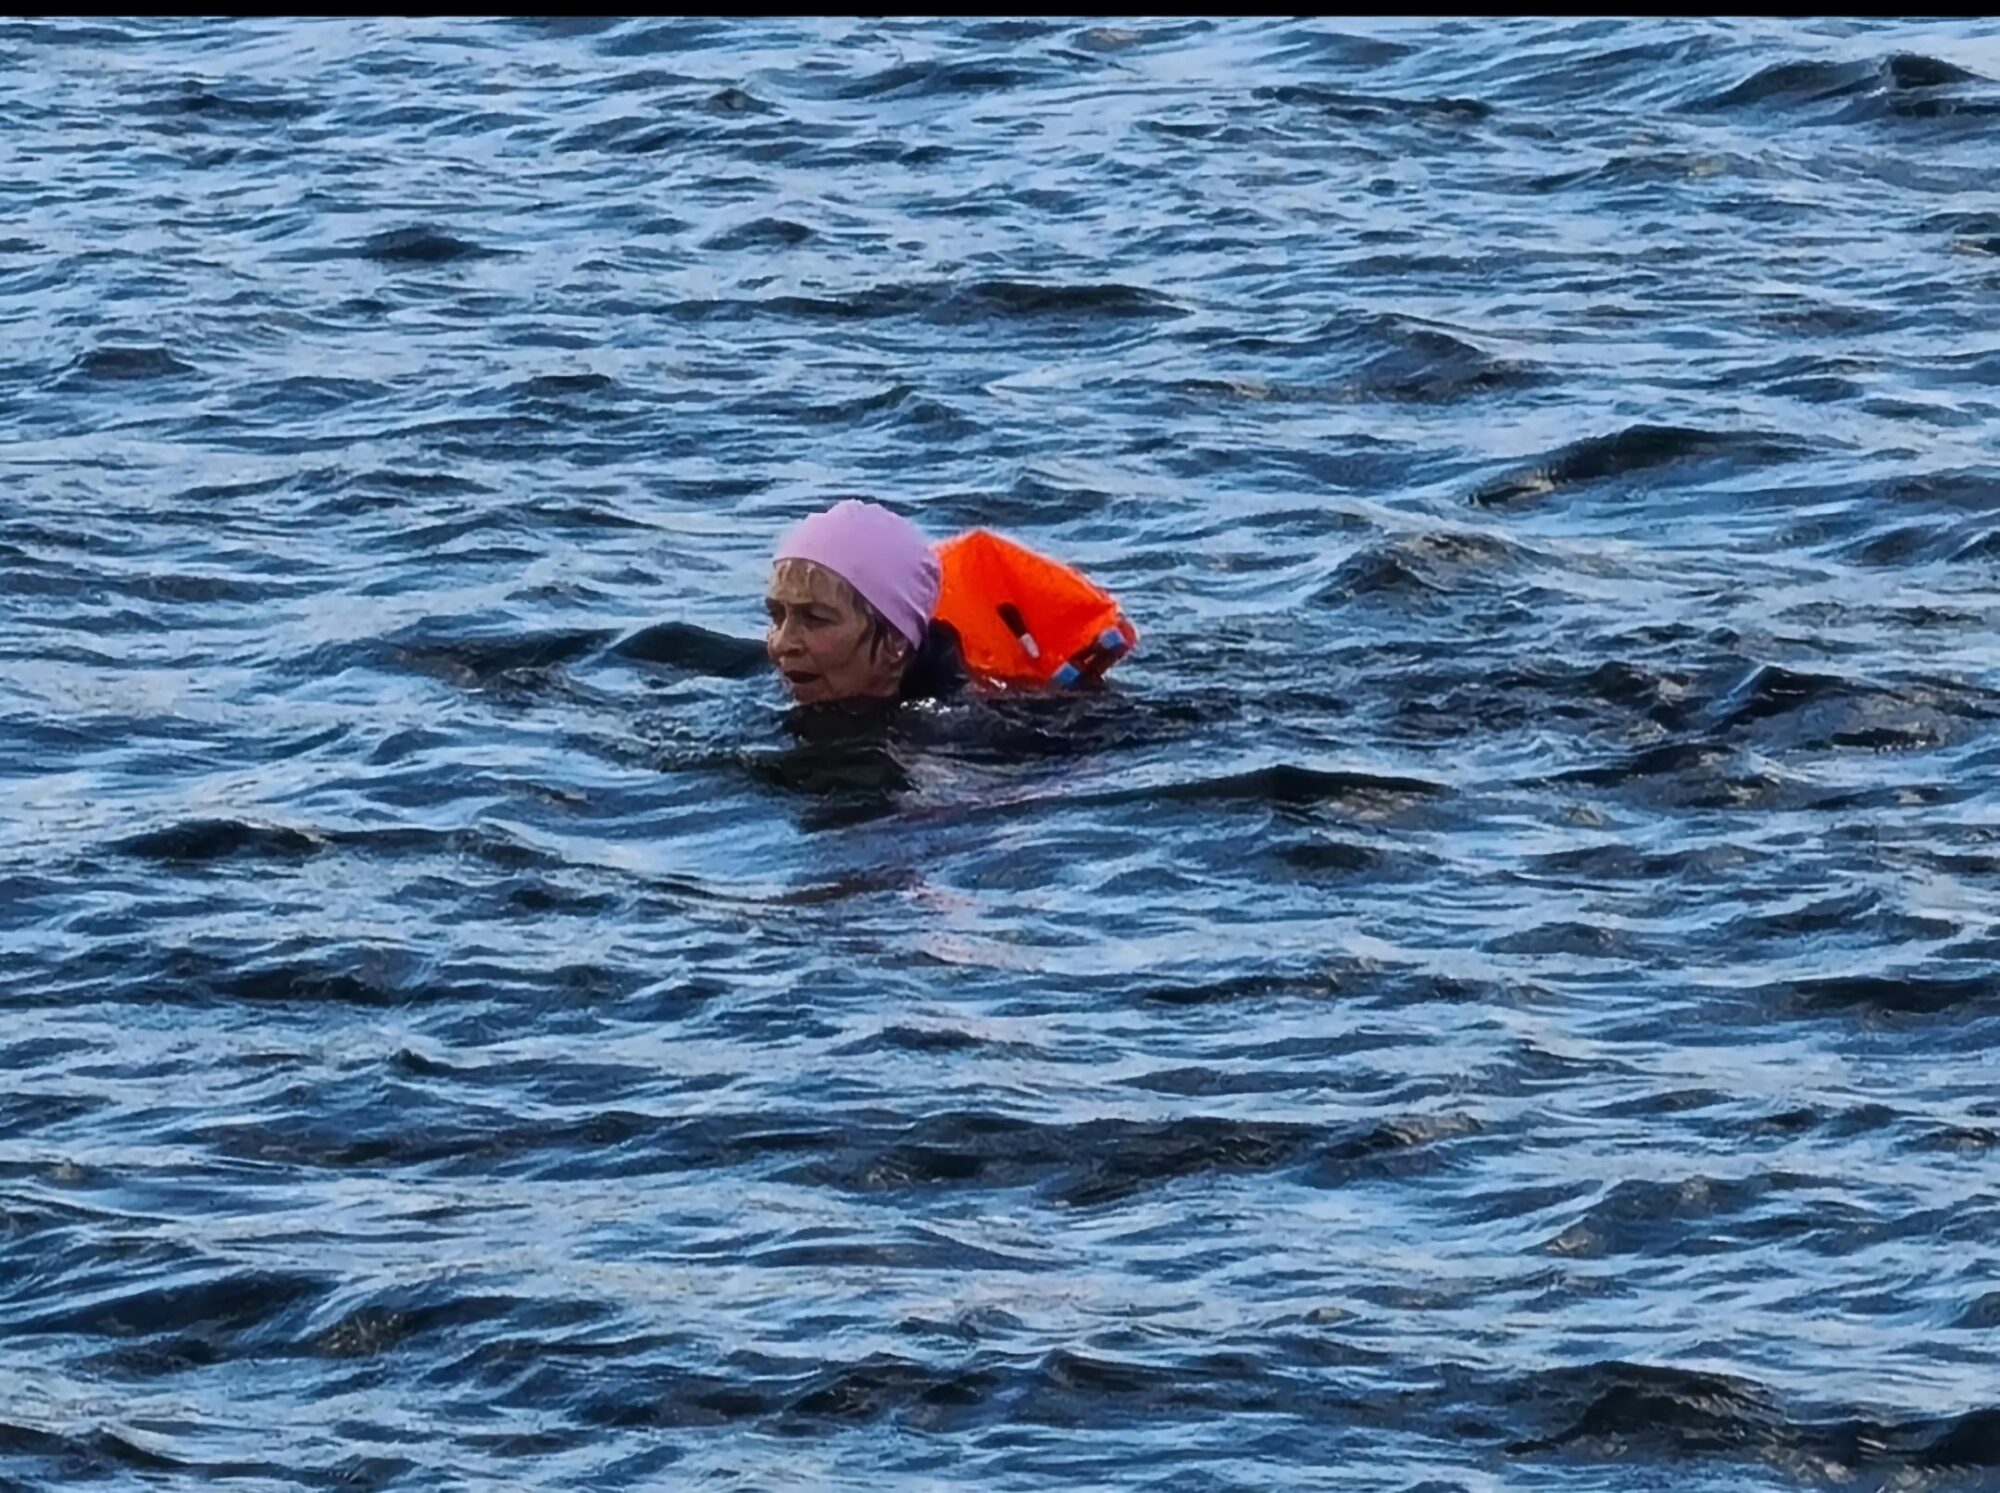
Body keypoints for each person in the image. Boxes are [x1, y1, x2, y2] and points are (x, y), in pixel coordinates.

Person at [765, 499, 967, 706]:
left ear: (895, 640)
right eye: (776, 616)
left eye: (815, 619)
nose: (782, 644)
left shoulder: (958, 731)